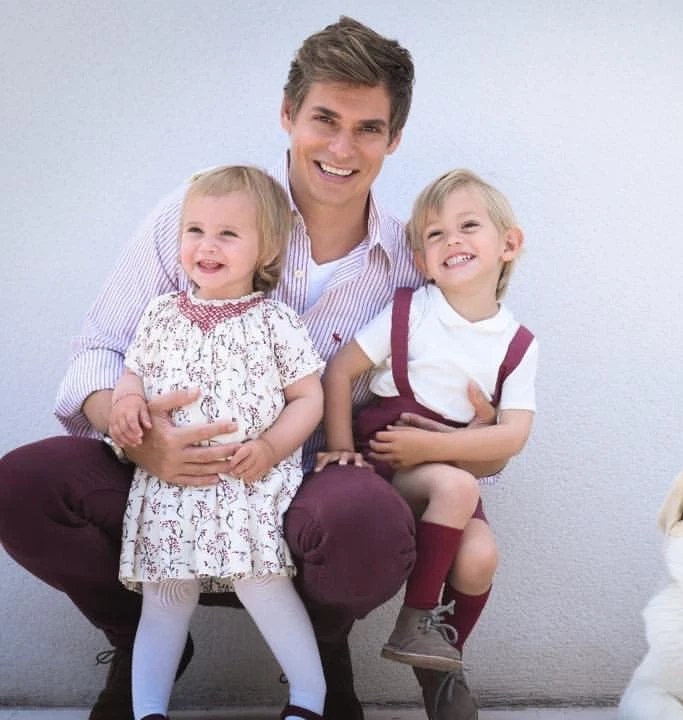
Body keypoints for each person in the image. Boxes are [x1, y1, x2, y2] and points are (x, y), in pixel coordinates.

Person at [0, 16, 505, 720]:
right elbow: (100, 348)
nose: (342, 148)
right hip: (164, 477)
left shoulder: (411, 260)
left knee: (367, 521)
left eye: (367, 128)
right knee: (22, 484)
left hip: (310, 491)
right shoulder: (199, 215)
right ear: (288, 113)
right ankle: (142, 640)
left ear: (393, 139)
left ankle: (322, 653)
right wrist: (134, 430)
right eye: (324, 119)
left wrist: (472, 426)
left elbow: (449, 378)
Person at [316, 169, 537, 717]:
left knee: (481, 556)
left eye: (468, 226)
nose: (452, 240)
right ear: (420, 259)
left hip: (441, 469)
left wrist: (439, 448)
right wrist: (340, 448)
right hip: (387, 461)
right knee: (459, 486)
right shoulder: (412, 311)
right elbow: (340, 370)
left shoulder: (518, 344)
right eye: (435, 234)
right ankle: (414, 621)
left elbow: (514, 434)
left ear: (509, 244)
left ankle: (439, 663)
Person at [109, 165, 327, 720]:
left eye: (228, 234)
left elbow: (309, 398)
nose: (207, 246)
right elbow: (134, 373)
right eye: (195, 230)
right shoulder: (160, 313)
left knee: (262, 583)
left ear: (266, 248)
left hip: (245, 481)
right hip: (171, 485)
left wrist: (272, 448)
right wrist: (127, 402)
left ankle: (308, 699)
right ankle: (148, 710)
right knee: (166, 594)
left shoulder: (276, 321)